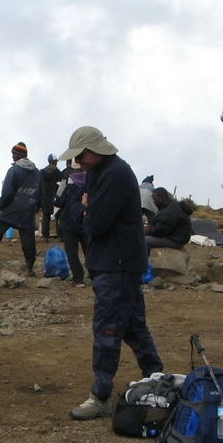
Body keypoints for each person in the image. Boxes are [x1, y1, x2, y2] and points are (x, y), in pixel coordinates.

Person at [60, 126, 164, 420]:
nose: (78, 161)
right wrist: (85, 209)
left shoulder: (116, 174)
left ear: (94, 149)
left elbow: (93, 225)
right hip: (112, 262)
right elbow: (73, 210)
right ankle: (157, 378)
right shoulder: (96, 172)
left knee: (107, 329)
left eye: (80, 155)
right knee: (132, 325)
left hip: (117, 264)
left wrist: (85, 210)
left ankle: (101, 394)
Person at [0, 142, 41, 274]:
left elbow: (7, 191)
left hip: (12, 208)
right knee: (28, 238)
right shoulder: (36, 172)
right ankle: (29, 267)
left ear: (17, 155)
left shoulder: (14, 170)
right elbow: (41, 192)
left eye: (13, 154)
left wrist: (3, 205)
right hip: (29, 208)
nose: (12, 156)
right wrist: (36, 207)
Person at [53, 162, 88, 287]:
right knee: (89, 250)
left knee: (72, 252)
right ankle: (95, 275)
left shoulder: (66, 181)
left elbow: (58, 201)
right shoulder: (91, 179)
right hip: (85, 222)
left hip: (69, 222)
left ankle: (78, 279)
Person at [40, 154, 62, 240]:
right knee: (58, 216)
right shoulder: (58, 172)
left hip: (45, 197)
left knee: (46, 216)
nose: (56, 163)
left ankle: (45, 237)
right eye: (56, 161)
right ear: (53, 162)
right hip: (55, 197)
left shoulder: (41, 172)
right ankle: (60, 236)